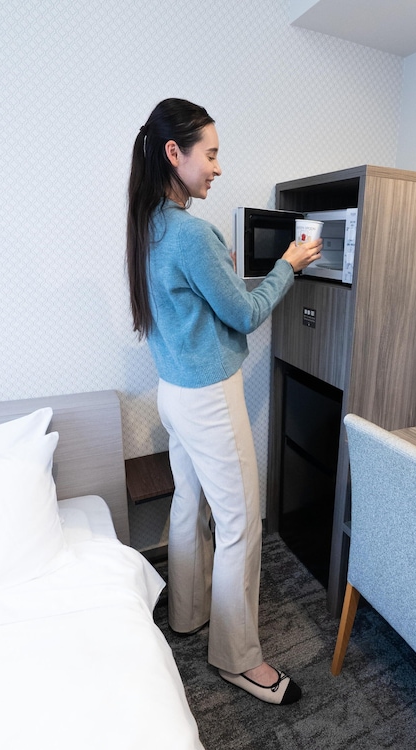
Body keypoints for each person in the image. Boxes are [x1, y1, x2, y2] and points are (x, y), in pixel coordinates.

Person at [126, 98, 321, 705]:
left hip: (175, 393)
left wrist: (225, 273)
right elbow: (246, 313)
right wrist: (288, 265)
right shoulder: (190, 233)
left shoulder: (149, 227)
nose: (217, 167)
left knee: (190, 501)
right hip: (209, 397)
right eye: (210, 155)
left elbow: (195, 305)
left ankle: (187, 614)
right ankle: (238, 659)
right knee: (239, 524)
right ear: (174, 153)